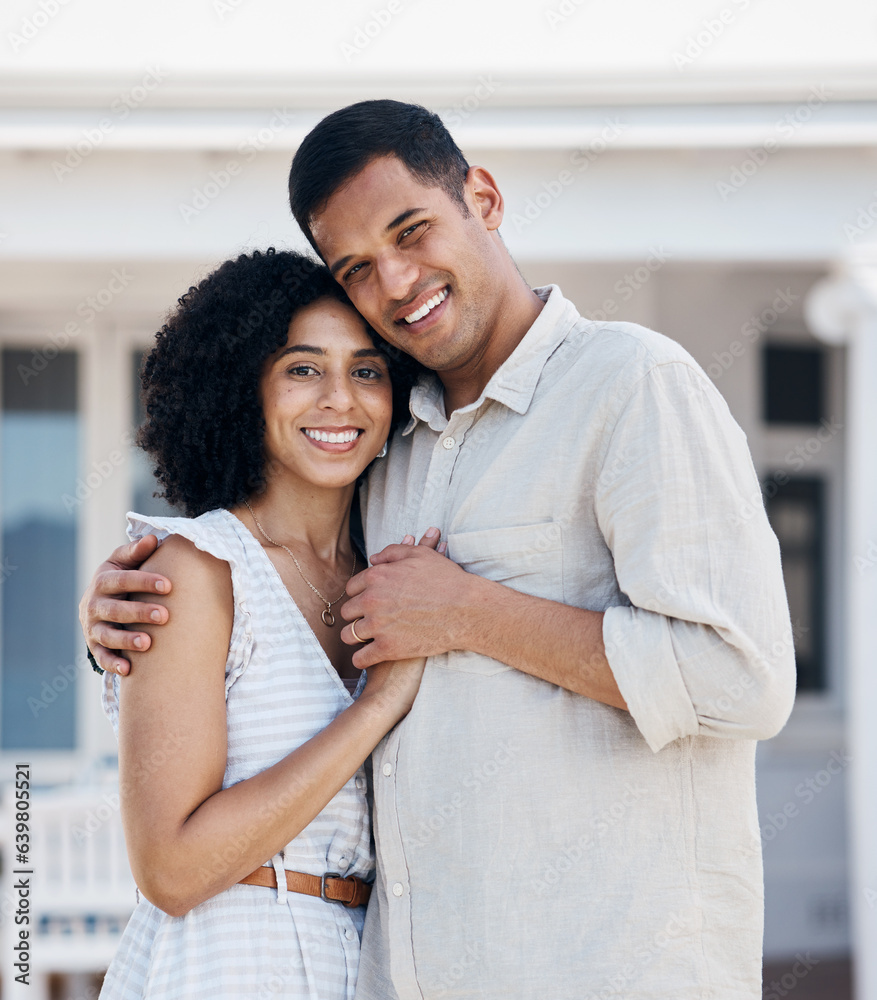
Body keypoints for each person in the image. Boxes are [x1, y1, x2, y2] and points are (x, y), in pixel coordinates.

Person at [82, 101, 796, 999]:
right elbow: (265, 584)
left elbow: (742, 676)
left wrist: (470, 613)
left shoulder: (630, 386)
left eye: (412, 230)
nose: (396, 280)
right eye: (357, 268)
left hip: (607, 965)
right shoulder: (389, 452)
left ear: (484, 198)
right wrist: (127, 611)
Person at [94, 247, 435, 1000]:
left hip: (369, 958)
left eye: (368, 370)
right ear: (241, 390)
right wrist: (378, 704)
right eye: (303, 369)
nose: (340, 400)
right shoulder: (198, 571)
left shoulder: (394, 571)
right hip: (229, 959)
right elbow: (172, 872)